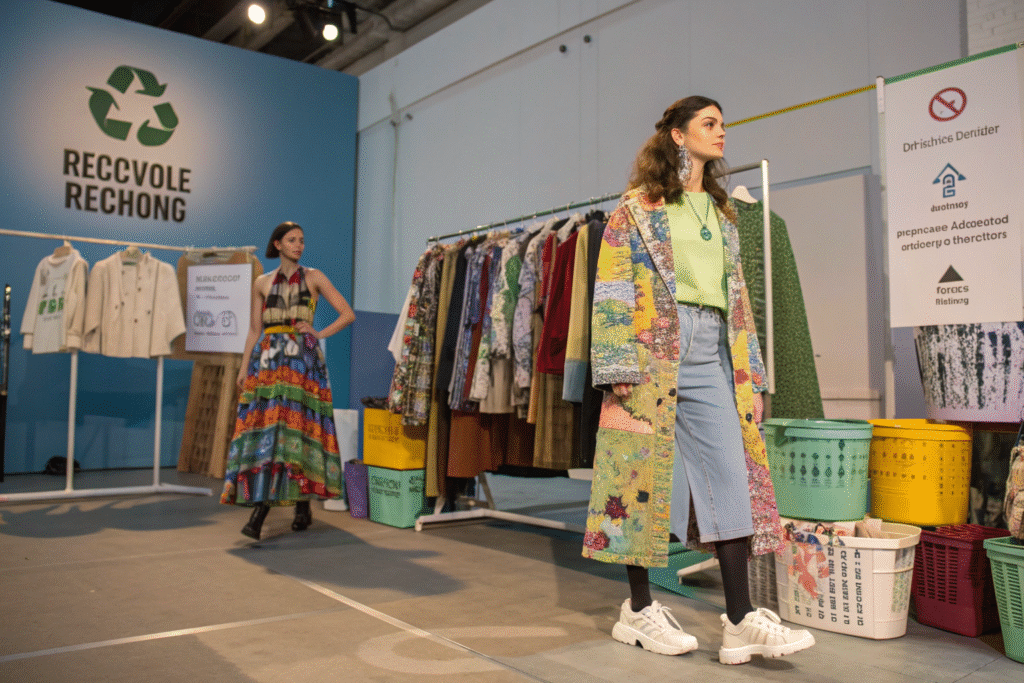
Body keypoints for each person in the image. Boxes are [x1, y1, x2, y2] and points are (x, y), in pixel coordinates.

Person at [582, 96, 814, 664]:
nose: (721, 132)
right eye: (709, 123)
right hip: (651, 348)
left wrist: (753, 375)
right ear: (678, 136)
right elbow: (612, 282)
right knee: (636, 476)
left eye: (723, 124)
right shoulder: (638, 207)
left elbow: (739, 300)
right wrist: (616, 363)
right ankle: (639, 609)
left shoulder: (721, 212)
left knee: (730, 476)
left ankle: (739, 620)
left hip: (713, 352)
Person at [221, 221, 356, 540]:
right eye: (292, 240)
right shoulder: (262, 283)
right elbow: (254, 330)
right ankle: (297, 507)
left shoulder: (314, 277)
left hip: (302, 365)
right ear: (277, 244)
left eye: (302, 240)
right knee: (270, 432)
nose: (299, 245)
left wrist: (318, 333)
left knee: (298, 430)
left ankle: (267, 512)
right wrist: (244, 367)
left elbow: (347, 313)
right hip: (268, 365)